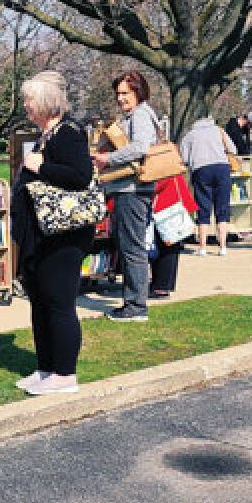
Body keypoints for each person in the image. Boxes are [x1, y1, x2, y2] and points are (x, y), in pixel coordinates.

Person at [11, 71, 96, 395]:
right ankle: (45, 369)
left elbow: (79, 175)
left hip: (63, 236)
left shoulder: (69, 134)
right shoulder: (48, 135)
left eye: (29, 100)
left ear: (45, 100)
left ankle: (65, 375)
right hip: (42, 235)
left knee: (58, 303)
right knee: (40, 303)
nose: (26, 106)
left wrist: (38, 166)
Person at [91, 70, 157, 322]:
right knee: (131, 246)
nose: (120, 98)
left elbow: (140, 147)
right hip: (129, 189)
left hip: (132, 189)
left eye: (125, 93)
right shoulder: (137, 114)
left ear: (138, 92)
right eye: (118, 93)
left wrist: (108, 158)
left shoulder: (140, 114)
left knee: (132, 248)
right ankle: (134, 301)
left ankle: (136, 306)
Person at [179, 116, 237, 256]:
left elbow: (184, 159)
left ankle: (202, 247)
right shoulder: (219, 131)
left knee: (203, 208)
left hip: (201, 170)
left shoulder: (190, 135)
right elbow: (233, 149)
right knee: (222, 208)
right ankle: (223, 247)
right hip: (222, 169)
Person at [150, 175, 199, 298]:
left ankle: (161, 286)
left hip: (166, 205)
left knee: (166, 246)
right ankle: (161, 284)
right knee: (168, 245)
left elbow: (160, 180)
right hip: (173, 202)